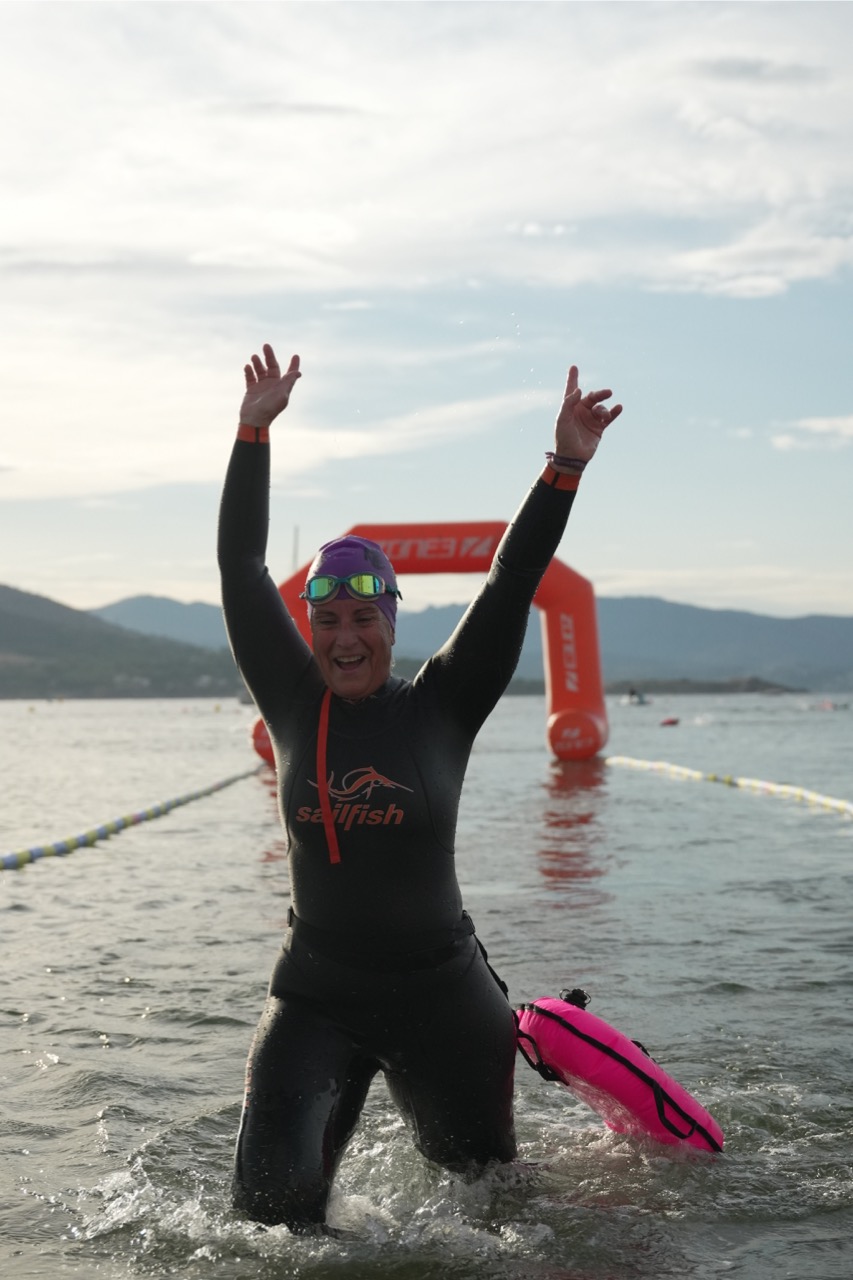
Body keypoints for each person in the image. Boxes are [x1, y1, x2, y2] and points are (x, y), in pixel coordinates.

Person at [217, 343, 622, 1231]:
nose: (345, 638)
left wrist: (563, 466)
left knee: (493, 1214)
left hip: (442, 997)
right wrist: (252, 433)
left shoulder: (443, 704)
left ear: (391, 622)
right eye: (328, 620)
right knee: (266, 1222)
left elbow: (512, 579)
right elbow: (242, 568)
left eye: (364, 617)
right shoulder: (290, 700)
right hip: (315, 992)